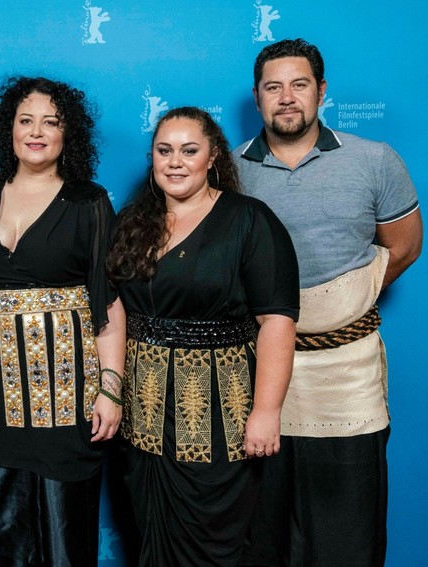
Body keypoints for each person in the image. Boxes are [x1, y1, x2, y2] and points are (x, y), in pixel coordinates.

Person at [235, 39, 422, 567]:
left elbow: (404, 245)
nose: (287, 98)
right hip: (258, 371)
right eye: (274, 87)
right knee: (263, 529)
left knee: (348, 529)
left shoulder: (374, 159)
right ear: (257, 97)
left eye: (299, 85)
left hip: (347, 371)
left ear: (321, 91)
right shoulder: (228, 171)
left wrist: (338, 304)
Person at [107, 107, 300, 566]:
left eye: (189, 151)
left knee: (217, 541)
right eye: (164, 150)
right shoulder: (133, 220)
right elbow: (111, 306)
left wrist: (266, 411)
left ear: (212, 156)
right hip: (145, 418)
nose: (176, 162)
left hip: (219, 416)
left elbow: (277, 320)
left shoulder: (249, 220)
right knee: (150, 538)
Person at [0, 76, 126, 566]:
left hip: (67, 394)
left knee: (63, 523)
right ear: (7, 130)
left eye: (51, 122)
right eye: (26, 120)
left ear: (68, 135)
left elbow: (107, 302)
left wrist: (110, 388)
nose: (37, 132)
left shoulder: (88, 201)